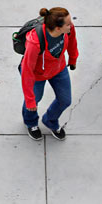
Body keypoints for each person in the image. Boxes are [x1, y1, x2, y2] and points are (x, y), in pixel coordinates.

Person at [20, 7, 78, 141]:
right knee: (34, 101)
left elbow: (72, 41)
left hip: (59, 69)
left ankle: (50, 120)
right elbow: (27, 70)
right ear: (58, 28)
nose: (71, 25)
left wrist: (73, 58)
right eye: (68, 24)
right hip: (37, 75)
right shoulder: (35, 42)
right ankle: (31, 122)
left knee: (65, 100)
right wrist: (30, 100)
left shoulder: (68, 29)